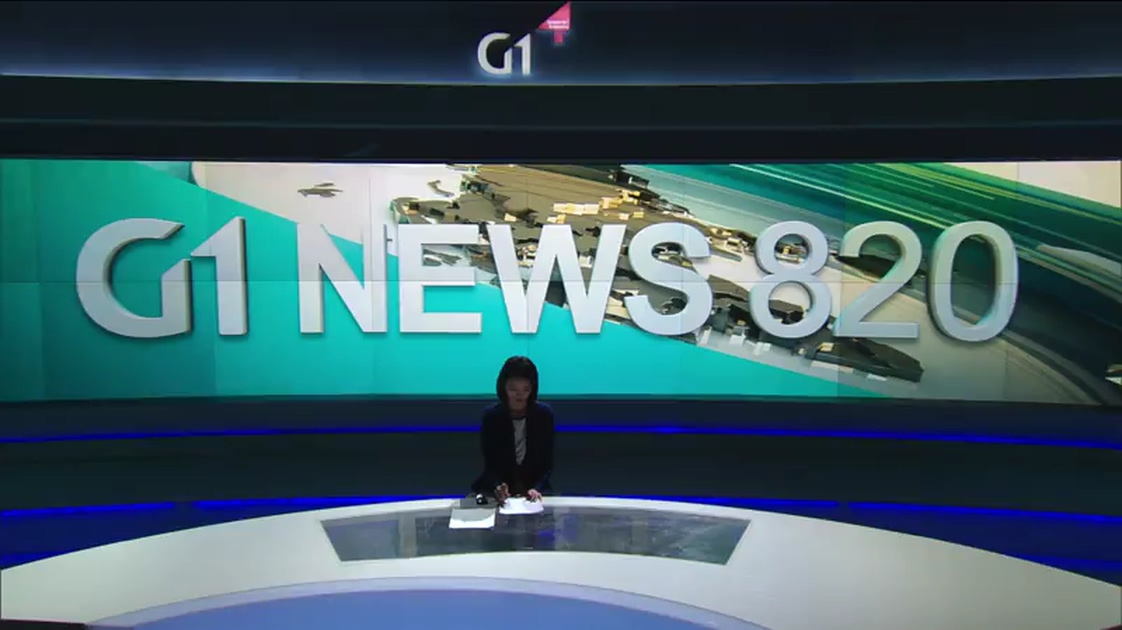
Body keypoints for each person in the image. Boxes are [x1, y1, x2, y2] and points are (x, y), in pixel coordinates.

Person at [471, 356, 555, 504]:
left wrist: (537, 488)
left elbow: (547, 463)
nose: (519, 394)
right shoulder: (492, 417)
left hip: (535, 492)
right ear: (503, 387)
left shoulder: (544, 415)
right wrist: (497, 486)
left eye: (525, 389)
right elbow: (489, 464)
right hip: (497, 492)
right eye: (513, 389)